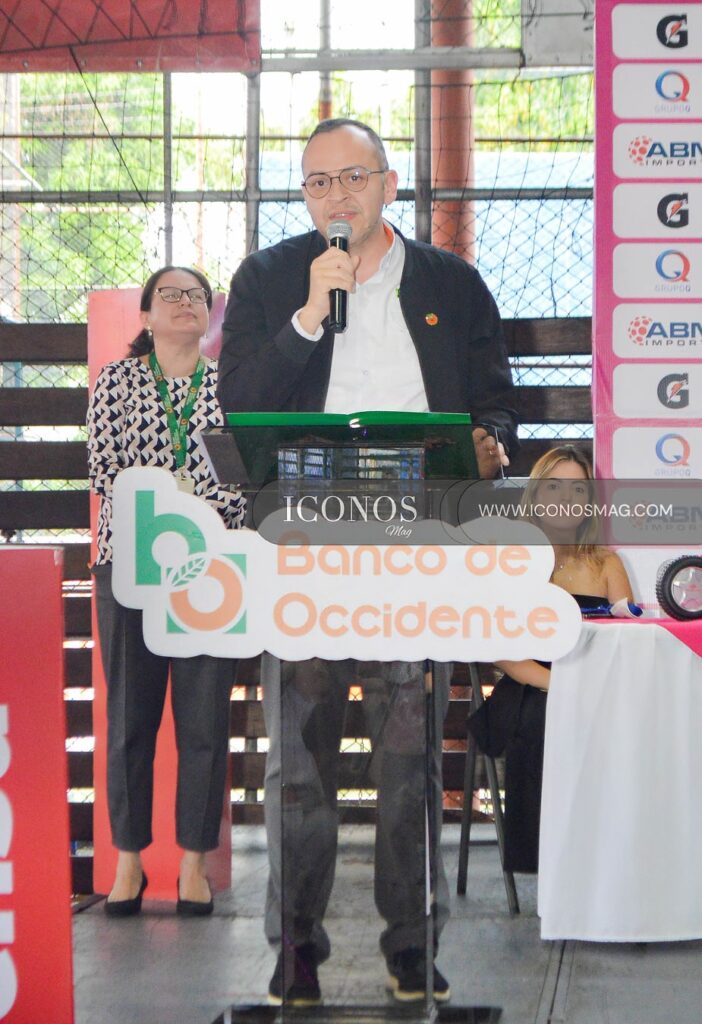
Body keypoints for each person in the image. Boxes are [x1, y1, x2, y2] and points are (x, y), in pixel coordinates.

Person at [217, 118, 519, 1005]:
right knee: (299, 763)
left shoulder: (451, 284)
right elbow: (241, 408)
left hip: (414, 535)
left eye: (353, 177)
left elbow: (496, 407)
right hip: (303, 539)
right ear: (304, 195)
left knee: (407, 753)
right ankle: (296, 948)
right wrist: (312, 316)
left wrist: (492, 447)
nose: (336, 196)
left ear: (390, 185)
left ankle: (410, 946)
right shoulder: (273, 280)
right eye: (317, 183)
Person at [87, 266, 246, 917]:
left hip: (209, 571)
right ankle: (128, 861)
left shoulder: (228, 388)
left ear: (210, 315)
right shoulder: (117, 382)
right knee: (130, 718)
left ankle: (192, 865)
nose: (186, 303)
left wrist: (190, 503)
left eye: (197, 296)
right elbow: (103, 465)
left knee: (205, 720)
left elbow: (240, 486)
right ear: (147, 315)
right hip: (128, 563)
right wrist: (166, 497)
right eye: (171, 295)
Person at [468, 445, 635, 873]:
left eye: (578, 489)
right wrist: (557, 685)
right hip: (530, 687)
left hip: (596, 685)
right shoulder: (510, 559)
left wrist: (587, 686)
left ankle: (610, 855)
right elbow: (497, 647)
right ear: (536, 495)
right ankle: (545, 861)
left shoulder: (606, 563)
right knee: (545, 716)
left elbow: (624, 639)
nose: (566, 498)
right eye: (554, 486)